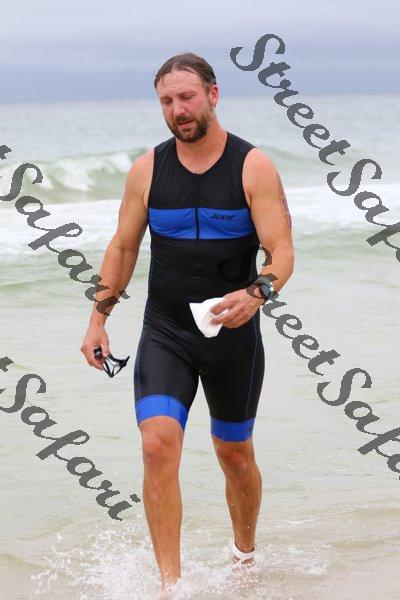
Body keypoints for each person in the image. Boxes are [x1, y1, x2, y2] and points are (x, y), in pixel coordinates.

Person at [80, 52, 294, 595]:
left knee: (234, 455)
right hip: (166, 332)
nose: (177, 109)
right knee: (157, 446)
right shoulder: (147, 170)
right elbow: (123, 247)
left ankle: (244, 557)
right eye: (167, 101)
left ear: (213, 95)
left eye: (187, 97)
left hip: (233, 336)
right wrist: (98, 318)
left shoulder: (252, 167)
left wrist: (257, 294)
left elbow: (281, 252)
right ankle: (170, 587)